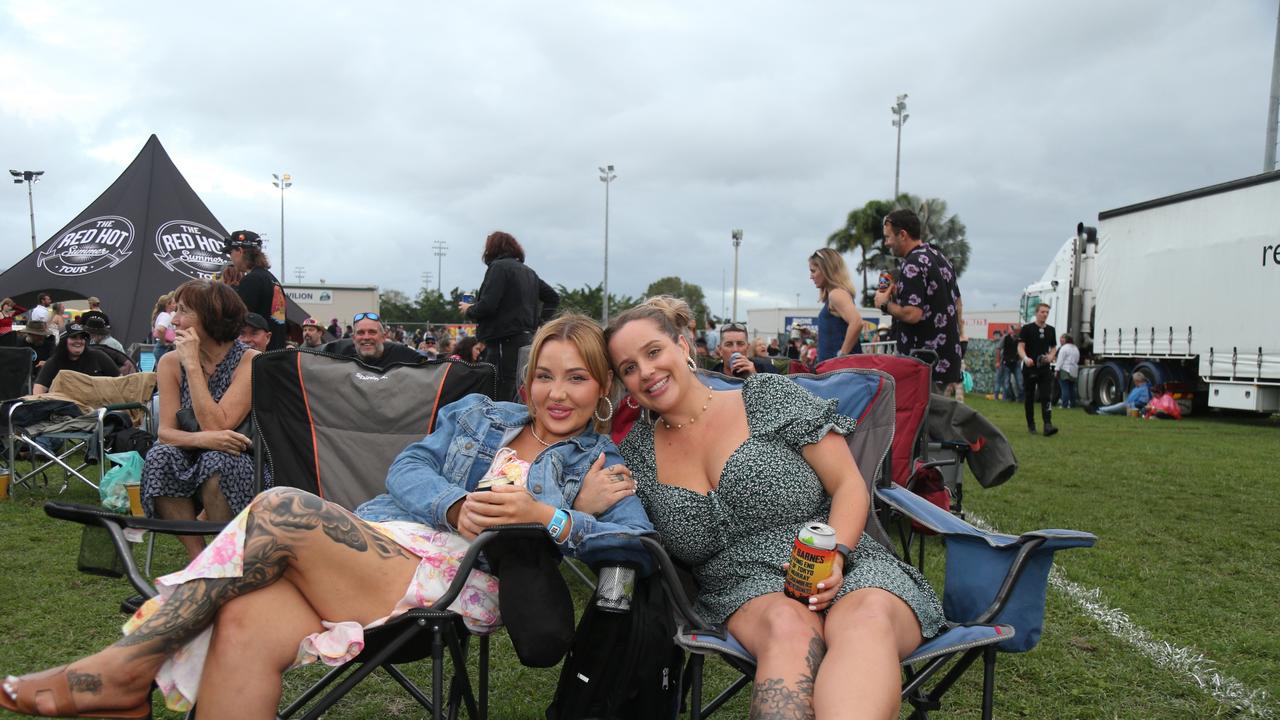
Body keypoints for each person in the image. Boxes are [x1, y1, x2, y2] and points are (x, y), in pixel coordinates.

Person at [0, 314, 650, 719]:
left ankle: (123, 668)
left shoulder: (598, 463)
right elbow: (406, 471)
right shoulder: (478, 414)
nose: (557, 394)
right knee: (247, 620)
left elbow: (635, 545)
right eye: (544, 376)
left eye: (577, 379)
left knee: (281, 505)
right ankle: (122, 677)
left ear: (602, 390)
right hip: (377, 542)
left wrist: (556, 515)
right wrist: (451, 502)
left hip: (453, 581)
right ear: (527, 381)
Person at [605, 297, 943, 719]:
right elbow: (591, 503)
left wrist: (838, 556)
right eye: (628, 368)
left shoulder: (765, 397)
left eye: (653, 352)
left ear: (683, 345)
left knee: (866, 617)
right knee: (787, 626)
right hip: (742, 587)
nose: (647, 372)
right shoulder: (636, 456)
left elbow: (848, 485)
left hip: (845, 560)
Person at [141, 280, 265, 561]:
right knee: (160, 457)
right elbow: (166, 433)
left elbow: (219, 425)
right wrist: (202, 440)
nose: (174, 319)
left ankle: (226, 560)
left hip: (245, 460)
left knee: (217, 461)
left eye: (183, 311)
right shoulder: (170, 363)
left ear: (211, 316)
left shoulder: (250, 361)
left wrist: (193, 366)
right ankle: (199, 562)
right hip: (190, 453)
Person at [459, 230, 560, 401]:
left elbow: (488, 306)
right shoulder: (529, 272)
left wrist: (469, 309)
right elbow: (553, 297)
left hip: (502, 341)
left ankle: (499, 426)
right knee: (519, 387)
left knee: (498, 390)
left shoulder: (498, 268)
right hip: (526, 341)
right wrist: (541, 323)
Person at [872, 209, 963, 388]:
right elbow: (958, 303)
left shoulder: (913, 262)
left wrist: (885, 304)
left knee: (923, 415)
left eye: (888, 237)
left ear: (903, 235)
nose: (886, 243)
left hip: (923, 363)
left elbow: (913, 314)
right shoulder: (939, 256)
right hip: (946, 359)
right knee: (939, 414)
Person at [223, 230, 286, 351]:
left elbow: (239, 319)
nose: (230, 257)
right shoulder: (273, 280)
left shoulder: (252, 280)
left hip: (257, 355)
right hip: (276, 352)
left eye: (230, 252)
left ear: (240, 251)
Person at [809, 248, 864, 363]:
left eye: (813, 271)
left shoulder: (836, 294)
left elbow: (857, 322)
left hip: (841, 373)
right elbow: (835, 334)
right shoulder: (834, 295)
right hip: (835, 371)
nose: (811, 276)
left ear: (826, 269)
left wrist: (841, 356)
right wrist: (810, 334)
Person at [32, 323, 120, 394]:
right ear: (64, 341)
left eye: (82, 338)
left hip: (98, 410)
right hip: (65, 411)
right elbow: (39, 389)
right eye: (74, 337)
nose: (79, 341)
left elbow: (120, 380)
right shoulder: (54, 362)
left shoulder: (98, 356)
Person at [324, 312, 423, 369]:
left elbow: (431, 366)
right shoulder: (339, 352)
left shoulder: (402, 354)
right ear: (353, 338)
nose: (366, 337)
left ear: (383, 337)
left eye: (372, 332)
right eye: (361, 333)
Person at [1018, 303, 1059, 436]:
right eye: (1042, 312)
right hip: (1030, 368)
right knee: (1029, 397)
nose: (1045, 314)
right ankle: (1031, 425)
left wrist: (1051, 356)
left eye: (1047, 312)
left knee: (1046, 395)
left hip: (1044, 368)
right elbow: (1020, 347)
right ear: (1036, 313)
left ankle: (1048, 425)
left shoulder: (1051, 330)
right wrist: (1025, 359)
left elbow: (1053, 347)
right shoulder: (1027, 328)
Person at [710, 324, 780, 377]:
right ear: (720, 350)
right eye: (729, 344)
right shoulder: (711, 377)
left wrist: (755, 377)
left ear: (747, 348)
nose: (735, 350)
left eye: (740, 344)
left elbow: (779, 395)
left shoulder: (768, 371)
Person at [1086, 372, 1152, 416]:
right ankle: (1098, 413)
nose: (1134, 382)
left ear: (1137, 381)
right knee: (1115, 410)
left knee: (1120, 405)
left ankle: (1099, 409)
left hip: (1134, 408)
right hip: (1129, 406)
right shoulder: (1137, 388)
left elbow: (1143, 403)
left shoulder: (1144, 389)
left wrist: (1131, 404)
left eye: (1134, 381)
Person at [1056, 334, 1081, 409]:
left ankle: (1064, 404)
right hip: (1074, 369)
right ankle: (1073, 404)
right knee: (1072, 388)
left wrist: (1057, 370)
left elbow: (1060, 360)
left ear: (1066, 340)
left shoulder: (1064, 348)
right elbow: (1077, 359)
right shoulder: (1075, 348)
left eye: (1063, 339)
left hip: (1065, 369)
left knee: (1064, 387)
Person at [1000, 324, 1023, 402]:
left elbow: (1023, 349)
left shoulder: (1020, 339)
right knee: (1006, 383)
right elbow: (998, 349)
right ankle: (1010, 397)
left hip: (1016, 363)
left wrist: (1020, 359)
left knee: (1020, 382)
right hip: (1006, 363)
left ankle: (1020, 398)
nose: (1017, 331)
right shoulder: (1005, 338)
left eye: (1019, 330)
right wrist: (997, 361)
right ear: (1013, 330)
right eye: (1016, 330)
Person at [152, 293, 177, 365]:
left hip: (161, 347)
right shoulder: (166, 316)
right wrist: (164, 342)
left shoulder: (162, 315)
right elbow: (160, 329)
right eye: (173, 303)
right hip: (163, 348)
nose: (175, 305)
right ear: (167, 305)